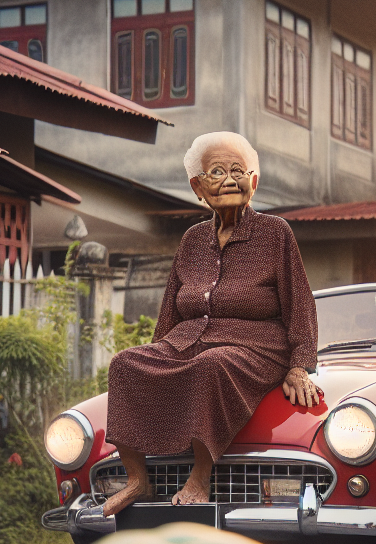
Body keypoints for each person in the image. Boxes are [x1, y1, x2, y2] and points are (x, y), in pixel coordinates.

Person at [96, 132, 321, 519]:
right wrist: (157, 361)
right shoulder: (192, 239)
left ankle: (201, 475)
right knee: (125, 364)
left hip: (255, 347)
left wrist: (300, 364)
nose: (229, 180)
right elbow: (171, 310)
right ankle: (137, 478)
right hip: (188, 341)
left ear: (254, 181)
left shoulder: (275, 233)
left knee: (211, 364)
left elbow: (301, 302)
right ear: (197, 186)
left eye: (238, 170)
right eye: (217, 171)